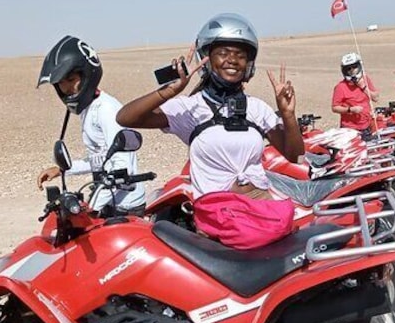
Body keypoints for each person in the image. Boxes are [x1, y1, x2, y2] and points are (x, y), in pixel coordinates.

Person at [115, 12, 304, 201]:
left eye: (240, 55)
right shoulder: (191, 108)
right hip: (216, 214)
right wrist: (167, 93)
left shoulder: (257, 108)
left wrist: (288, 115)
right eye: (223, 53)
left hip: (260, 206)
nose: (232, 59)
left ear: (248, 64)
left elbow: (296, 157)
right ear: (206, 59)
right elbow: (125, 118)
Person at [36, 35, 146, 215]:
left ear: (86, 75)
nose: (66, 89)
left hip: (125, 208)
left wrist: (90, 208)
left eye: (71, 80)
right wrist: (63, 170)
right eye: (60, 84)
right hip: (109, 202)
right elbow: (100, 160)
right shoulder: (90, 109)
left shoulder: (106, 110)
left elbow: (122, 167)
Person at [331, 52, 380, 137]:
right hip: (350, 129)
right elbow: (335, 107)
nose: (352, 70)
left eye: (354, 67)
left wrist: (363, 87)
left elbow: (375, 98)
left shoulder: (365, 79)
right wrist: (350, 110)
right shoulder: (340, 87)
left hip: (367, 125)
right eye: (349, 68)